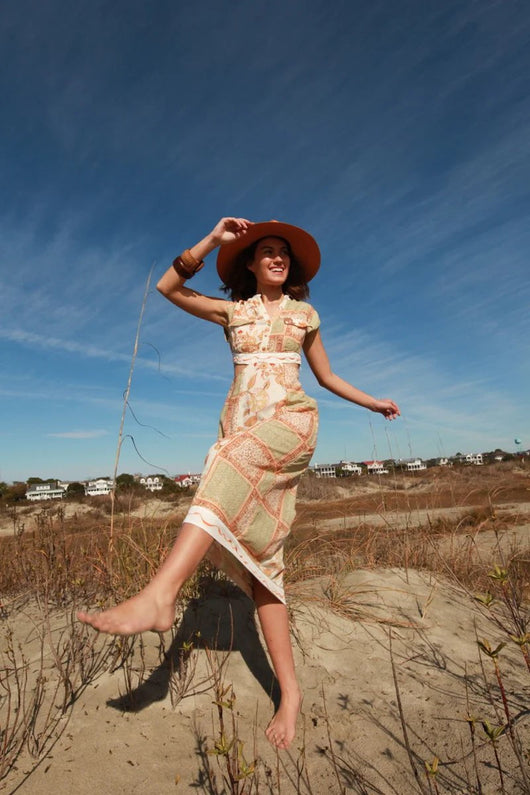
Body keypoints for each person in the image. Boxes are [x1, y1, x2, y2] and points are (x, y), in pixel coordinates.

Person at [77, 217, 400, 749]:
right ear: (250, 264)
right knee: (263, 569)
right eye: (266, 252)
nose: (277, 258)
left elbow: (327, 377)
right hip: (243, 429)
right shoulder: (233, 312)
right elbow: (167, 288)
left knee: (222, 457)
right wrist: (212, 239)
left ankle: (160, 595)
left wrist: (375, 400)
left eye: (283, 254)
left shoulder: (305, 315)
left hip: (290, 425)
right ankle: (290, 693)